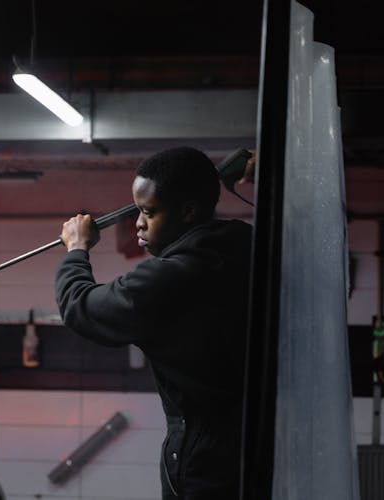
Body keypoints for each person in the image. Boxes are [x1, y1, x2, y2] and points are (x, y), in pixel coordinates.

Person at [55, 146, 252, 500]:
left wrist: (76, 250)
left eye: (149, 212)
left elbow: (79, 306)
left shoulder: (169, 279)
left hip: (204, 462)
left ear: (188, 211)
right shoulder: (243, 244)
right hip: (254, 443)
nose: (138, 223)